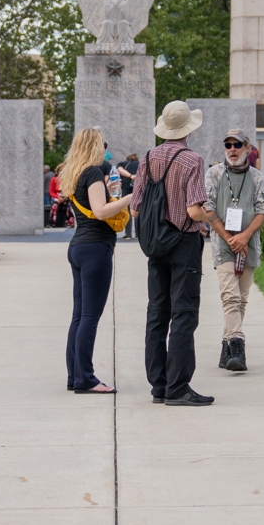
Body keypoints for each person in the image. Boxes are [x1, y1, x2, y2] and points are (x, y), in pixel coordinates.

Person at [132, 100, 214, 406]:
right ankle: (178, 387)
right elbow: (193, 210)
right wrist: (208, 216)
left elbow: (135, 209)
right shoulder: (192, 160)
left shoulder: (148, 157)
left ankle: (159, 385)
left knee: (157, 313)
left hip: (156, 244)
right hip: (183, 243)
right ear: (188, 129)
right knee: (183, 313)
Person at [61, 128, 130, 394]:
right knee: (90, 316)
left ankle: (75, 376)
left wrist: (108, 190)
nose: (105, 149)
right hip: (95, 248)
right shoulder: (92, 172)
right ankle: (86, 379)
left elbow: (92, 204)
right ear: (94, 146)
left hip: (79, 246)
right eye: (103, 144)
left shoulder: (77, 172)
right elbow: (100, 211)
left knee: (79, 316)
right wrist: (130, 197)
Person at [200, 128, 264, 373]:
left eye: (237, 145)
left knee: (241, 299)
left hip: (248, 244)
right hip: (224, 245)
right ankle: (238, 347)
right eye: (228, 145)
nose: (232, 149)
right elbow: (208, 208)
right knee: (229, 296)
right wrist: (230, 238)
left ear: (248, 149)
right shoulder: (214, 174)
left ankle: (226, 348)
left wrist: (244, 236)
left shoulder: (257, 177)